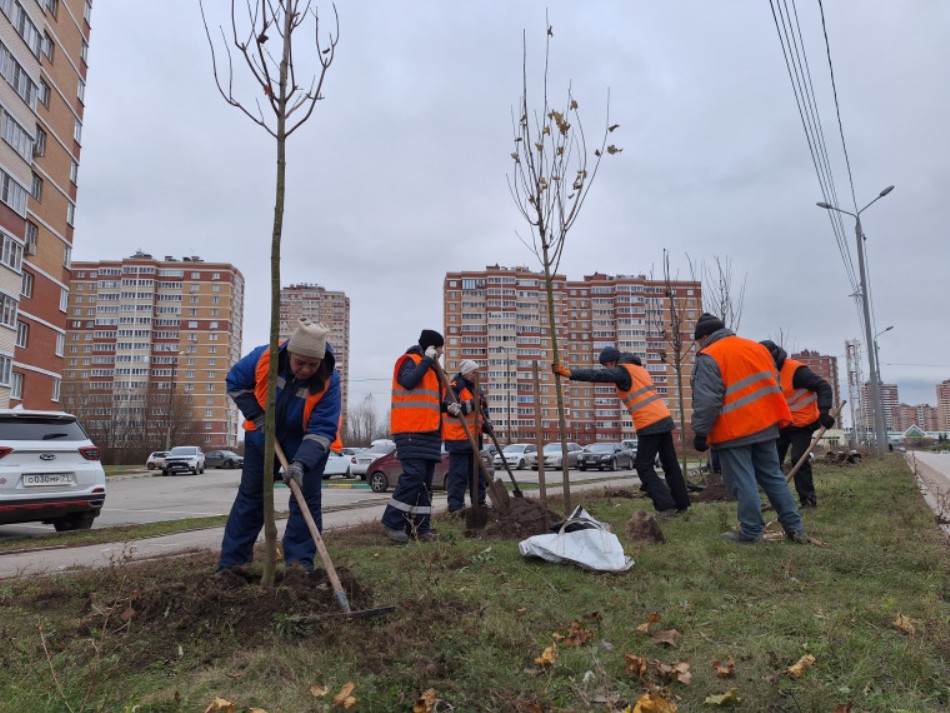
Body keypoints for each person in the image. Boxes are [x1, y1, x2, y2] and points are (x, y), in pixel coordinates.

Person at [219, 318, 341, 572]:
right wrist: (257, 416)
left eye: (312, 364)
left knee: (305, 500)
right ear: (290, 353)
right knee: (251, 497)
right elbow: (235, 383)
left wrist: (301, 463)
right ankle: (233, 564)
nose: (306, 370)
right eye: (300, 363)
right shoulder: (264, 357)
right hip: (262, 435)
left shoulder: (330, 380)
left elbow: (323, 429)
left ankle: (299, 565)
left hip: (306, 441)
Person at [690, 313, 808, 544]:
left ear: (704, 336)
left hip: (733, 430)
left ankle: (752, 532)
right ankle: (795, 528)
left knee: (742, 481)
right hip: (765, 424)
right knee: (773, 477)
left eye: (698, 341)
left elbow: (707, 399)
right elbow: (773, 382)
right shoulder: (756, 348)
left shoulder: (709, 356)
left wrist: (701, 431)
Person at [553, 347, 691, 517]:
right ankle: (682, 503)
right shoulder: (639, 369)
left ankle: (666, 507)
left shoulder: (622, 371)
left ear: (613, 361)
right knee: (670, 463)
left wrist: (568, 373)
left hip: (649, 422)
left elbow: (597, 376)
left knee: (643, 466)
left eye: (607, 365)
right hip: (664, 418)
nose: (607, 369)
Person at [381, 329, 447, 543]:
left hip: (430, 432)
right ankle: (393, 522)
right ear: (430, 347)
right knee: (414, 476)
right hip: (410, 430)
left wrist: (450, 407)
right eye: (440, 347)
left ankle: (422, 527)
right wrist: (427, 360)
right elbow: (408, 382)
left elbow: (432, 402)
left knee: (425, 483)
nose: (442, 352)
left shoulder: (434, 370)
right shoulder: (409, 361)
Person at [759, 340, 835, 509]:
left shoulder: (796, 371)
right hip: (780, 425)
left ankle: (808, 502)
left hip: (803, 423)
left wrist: (824, 411)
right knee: (771, 463)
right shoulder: (763, 373)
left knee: (798, 459)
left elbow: (823, 386)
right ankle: (778, 502)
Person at [443, 359, 491, 514]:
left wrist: (487, 424)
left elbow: (484, 409)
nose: (478, 375)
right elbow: (453, 408)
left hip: (475, 439)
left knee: (478, 475)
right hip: (459, 438)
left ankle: (479, 503)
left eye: (478, 372)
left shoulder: (478, 389)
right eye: (474, 372)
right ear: (466, 373)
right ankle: (456, 507)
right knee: (459, 476)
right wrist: (473, 404)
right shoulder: (454, 387)